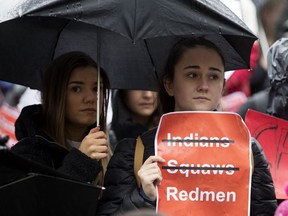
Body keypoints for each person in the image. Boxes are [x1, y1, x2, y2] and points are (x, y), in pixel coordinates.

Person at [97, 37, 277, 215]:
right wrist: (143, 197)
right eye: (193, 75)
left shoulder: (248, 150)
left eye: (214, 76)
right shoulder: (134, 152)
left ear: (223, 86)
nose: (204, 86)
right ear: (169, 84)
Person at [10, 51, 111, 186]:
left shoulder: (110, 153)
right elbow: (37, 205)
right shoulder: (27, 155)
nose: (91, 98)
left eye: (97, 89)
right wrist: (81, 163)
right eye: (76, 89)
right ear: (55, 95)